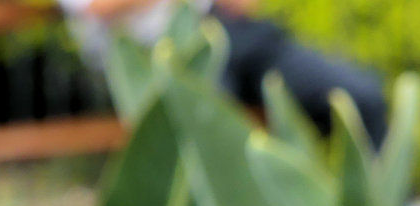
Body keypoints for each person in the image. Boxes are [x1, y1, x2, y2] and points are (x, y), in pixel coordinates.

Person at [59, 0, 388, 147]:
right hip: (160, 54)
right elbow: (97, 8)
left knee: (361, 97)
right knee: (219, 135)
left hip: (234, 35)